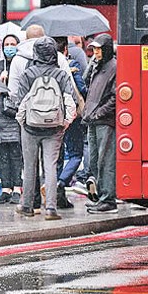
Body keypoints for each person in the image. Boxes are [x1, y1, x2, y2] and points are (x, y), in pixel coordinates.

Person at [14, 36, 76, 221]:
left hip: (30, 127)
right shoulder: (61, 75)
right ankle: (50, 208)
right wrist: (65, 123)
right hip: (54, 128)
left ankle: (27, 206)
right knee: (50, 167)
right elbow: (69, 101)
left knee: (29, 167)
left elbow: (20, 102)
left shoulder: (28, 74)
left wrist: (22, 122)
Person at [81, 33, 118, 214]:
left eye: (98, 49)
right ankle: (102, 196)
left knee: (106, 161)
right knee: (95, 161)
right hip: (93, 119)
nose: (95, 52)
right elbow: (85, 81)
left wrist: (98, 113)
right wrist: (91, 65)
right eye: (93, 49)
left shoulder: (115, 67)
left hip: (104, 121)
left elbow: (115, 97)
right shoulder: (98, 66)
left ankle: (108, 199)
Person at [0, 34, 23, 205]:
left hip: (14, 114)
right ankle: (6, 188)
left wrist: (8, 87)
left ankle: (17, 187)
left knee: (16, 153)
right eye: (6, 44)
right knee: (1, 154)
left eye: (13, 44)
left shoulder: (21, 65)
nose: (9, 47)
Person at [54, 36, 87, 209]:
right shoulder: (72, 65)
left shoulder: (46, 66)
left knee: (56, 156)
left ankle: (53, 192)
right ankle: (61, 182)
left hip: (51, 115)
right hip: (71, 115)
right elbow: (81, 88)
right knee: (75, 153)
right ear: (66, 49)